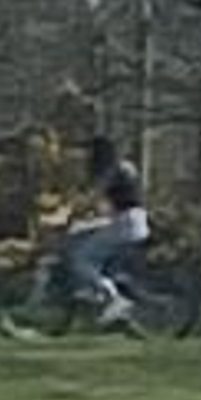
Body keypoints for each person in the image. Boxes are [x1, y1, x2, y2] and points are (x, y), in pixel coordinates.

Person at [67, 136, 150, 326]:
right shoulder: (124, 168)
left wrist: (72, 212)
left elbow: (92, 197)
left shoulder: (109, 172)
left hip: (126, 223)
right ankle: (97, 291)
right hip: (136, 220)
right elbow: (110, 204)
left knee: (82, 258)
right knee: (100, 250)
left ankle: (114, 300)